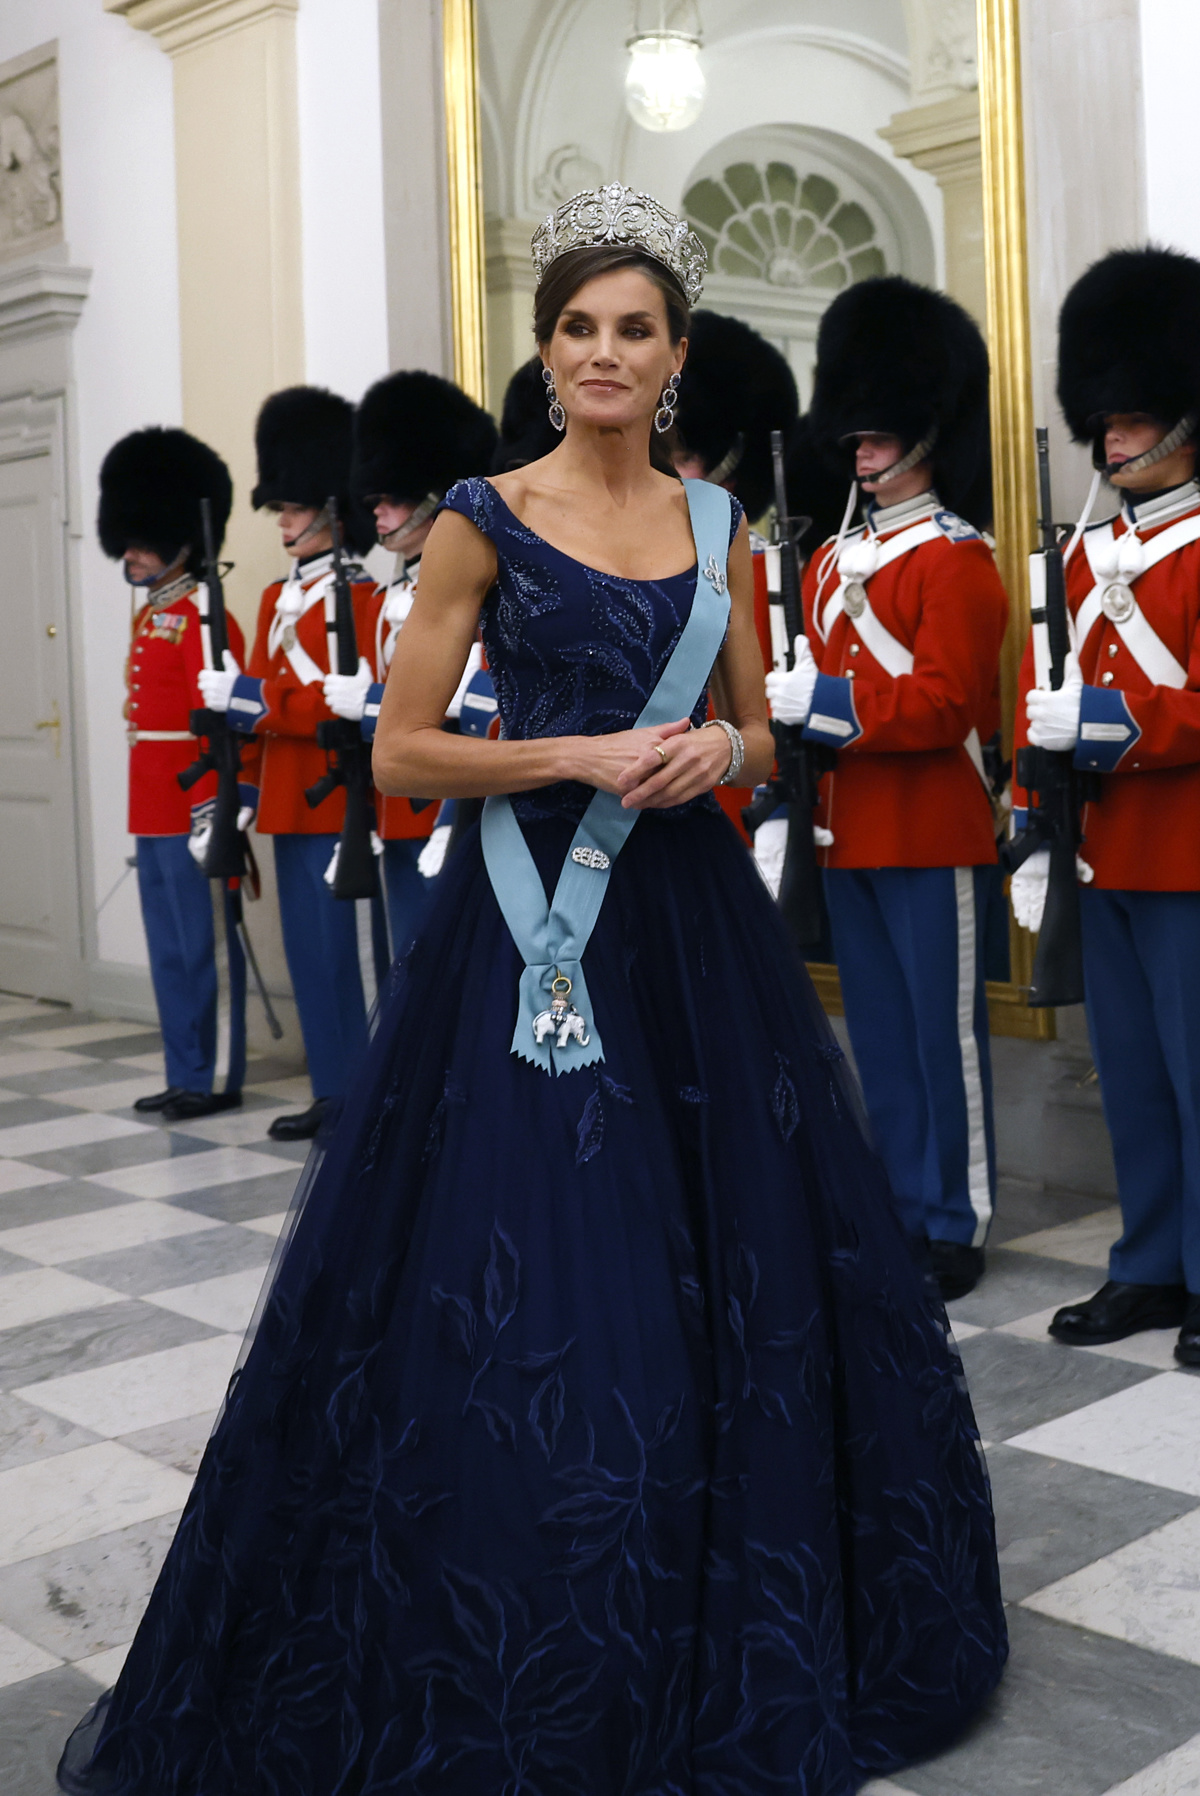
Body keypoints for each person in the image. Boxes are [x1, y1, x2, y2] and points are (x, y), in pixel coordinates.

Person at [59, 187, 1005, 1795]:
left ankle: (707, 1587)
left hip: (690, 929)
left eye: (634, 329)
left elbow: (761, 732)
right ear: (549, 352)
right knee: (538, 1260)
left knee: (723, 1250)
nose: (605, 353)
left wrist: (727, 747)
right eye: (578, 328)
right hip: (522, 935)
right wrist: (571, 753)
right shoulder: (484, 517)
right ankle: (529, 1600)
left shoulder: (717, 532)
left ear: (676, 356)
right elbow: (407, 746)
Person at [767, 277, 1009, 1301]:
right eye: (855, 432)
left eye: (879, 432)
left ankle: (956, 1218)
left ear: (923, 431)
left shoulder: (957, 561)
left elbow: (946, 704)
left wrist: (822, 698)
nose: (860, 446)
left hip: (930, 824)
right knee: (876, 1034)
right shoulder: (828, 562)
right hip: (848, 828)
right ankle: (903, 1205)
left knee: (939, 1035)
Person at [1013, 245, 1200, 1367]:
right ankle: (1150, 1264)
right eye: (1107, 420)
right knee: (1132, 1075)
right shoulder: (1086, 558)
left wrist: (1118, 728)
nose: (1111, 438)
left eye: (1133, 418)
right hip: (1109, 850)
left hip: (1189, 847)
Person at [198, 386, 380, 1142]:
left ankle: (356, 1090)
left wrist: (250, 695)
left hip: (332, 798)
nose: (282, 521)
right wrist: (240, 782)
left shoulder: (362, 597)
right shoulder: (280, 595)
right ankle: (330, 1085)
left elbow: (335, 703)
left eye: (294, 508)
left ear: (332, 509)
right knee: (308, 954)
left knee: (343, 957)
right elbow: (272, 705)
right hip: (281, 799)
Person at [97, 427, 250, 1122]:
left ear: (181, 538)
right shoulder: (155, 613)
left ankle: (214, 1076)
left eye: (144, 539)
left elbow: (227, 725)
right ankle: (182, 1068)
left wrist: (218, 806)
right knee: (167, 948)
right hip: (149, 798)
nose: (132, 553)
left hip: (192, 800)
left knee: (201, 946)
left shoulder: (204, 614)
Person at [324, 369, 498, 952]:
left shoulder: (478, 585)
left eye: (394, 498)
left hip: (451, 801)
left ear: (433, 495)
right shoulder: (387, 596)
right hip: (395, 802)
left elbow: (470, 699)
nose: (378, 512)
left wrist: (372, 702)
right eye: (375, 499)